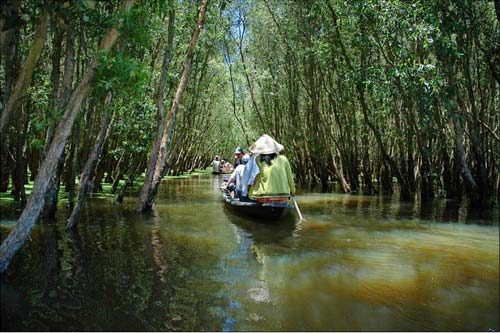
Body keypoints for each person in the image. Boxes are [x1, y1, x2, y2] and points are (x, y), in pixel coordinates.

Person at [247, 134, 295, 203]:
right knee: (258, 176)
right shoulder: (284, 159)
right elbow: (290, 178)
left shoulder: (258, 159)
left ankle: (252, 197)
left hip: (263, 197)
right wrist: (293, 192)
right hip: (283, 197)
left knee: (257, 177)